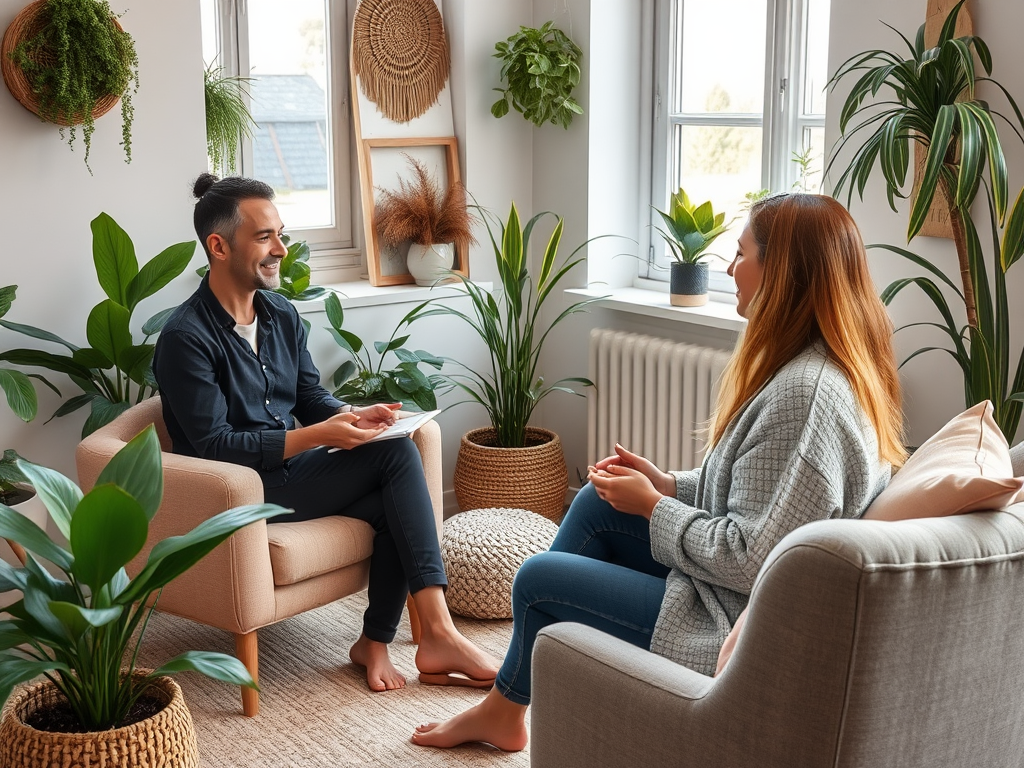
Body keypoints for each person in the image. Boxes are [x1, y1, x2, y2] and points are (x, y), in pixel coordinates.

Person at [411, 193, 907, 750]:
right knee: (596, 503)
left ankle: (507, 706)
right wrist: (669, 485)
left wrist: (653, 506)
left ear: (781, 272)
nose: (728, 269)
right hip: (726, 589)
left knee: (535, 581)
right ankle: (508, 706)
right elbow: (754, 498)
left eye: (740, 254)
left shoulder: (805, 397)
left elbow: (750, 559)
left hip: (728, 617)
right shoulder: (811, 368)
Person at [153, 174, 498, 693]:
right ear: (218, 246)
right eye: (265, 236)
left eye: (281, 234)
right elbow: (216, 447)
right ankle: (438, 633)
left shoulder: (280, 314)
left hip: (289, 472)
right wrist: (318, 437)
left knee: (392, 484)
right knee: (395, 462)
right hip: (237, 489)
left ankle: (376, 642)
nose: (280, 249)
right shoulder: (185, 338)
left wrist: (354, 415)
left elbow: (311, 398)